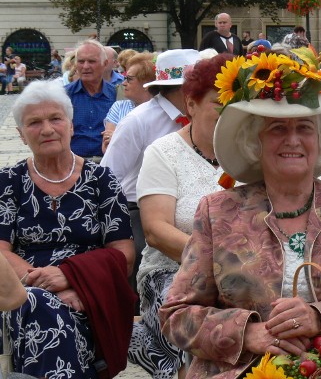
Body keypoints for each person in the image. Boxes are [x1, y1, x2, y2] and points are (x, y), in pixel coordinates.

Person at [159, 52, 321, 378]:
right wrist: (247, 334)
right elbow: (177, 315)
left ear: (320, 139)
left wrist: (320, 317)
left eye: (304, 127)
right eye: (277, 128)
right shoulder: (217, 212)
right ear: (255, 141)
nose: (292, 140)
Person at [0, 80, 136, 378]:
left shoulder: (101, 179)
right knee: (40, 308)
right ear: (22, 136)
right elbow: (0, 252)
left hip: (89, 291)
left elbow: (123, 254)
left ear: (71, 126)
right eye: (34, 122)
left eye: (55, 119)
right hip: (22, 292)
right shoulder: (7, 182)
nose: (47, 129)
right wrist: (44, 287)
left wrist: (73, 279)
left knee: (48, 316)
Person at [128, 56, 227, 378]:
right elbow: (155, 230)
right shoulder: (163, 152)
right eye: (218, 102)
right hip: (173, 269)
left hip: (244, 269)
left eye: (235, 103)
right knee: (192, 320)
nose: (228, 111)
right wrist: (219, 261)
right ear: (191, 104)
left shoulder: (251, 151)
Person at [101, 49, 199, 302]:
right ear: (183, 89)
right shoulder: (138, 121)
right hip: (137, 211)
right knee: (137, 259)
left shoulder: (201, 119)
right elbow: (107, 177)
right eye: (200, 86)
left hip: (193, 207)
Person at [65, 39, 116, 160]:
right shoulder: (63, 95)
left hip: (107, 164)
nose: (85, 66)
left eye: (92, 61)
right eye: (81, 61)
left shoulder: (116, 96)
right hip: (73, 165)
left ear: (105, 64)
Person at [101, 52, 155, 153]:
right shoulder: (119, 107)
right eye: (125, 78)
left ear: (146, 84)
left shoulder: (160, 109)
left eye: (129, 79)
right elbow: (106, 148)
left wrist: (118, 137)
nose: (123, 83)